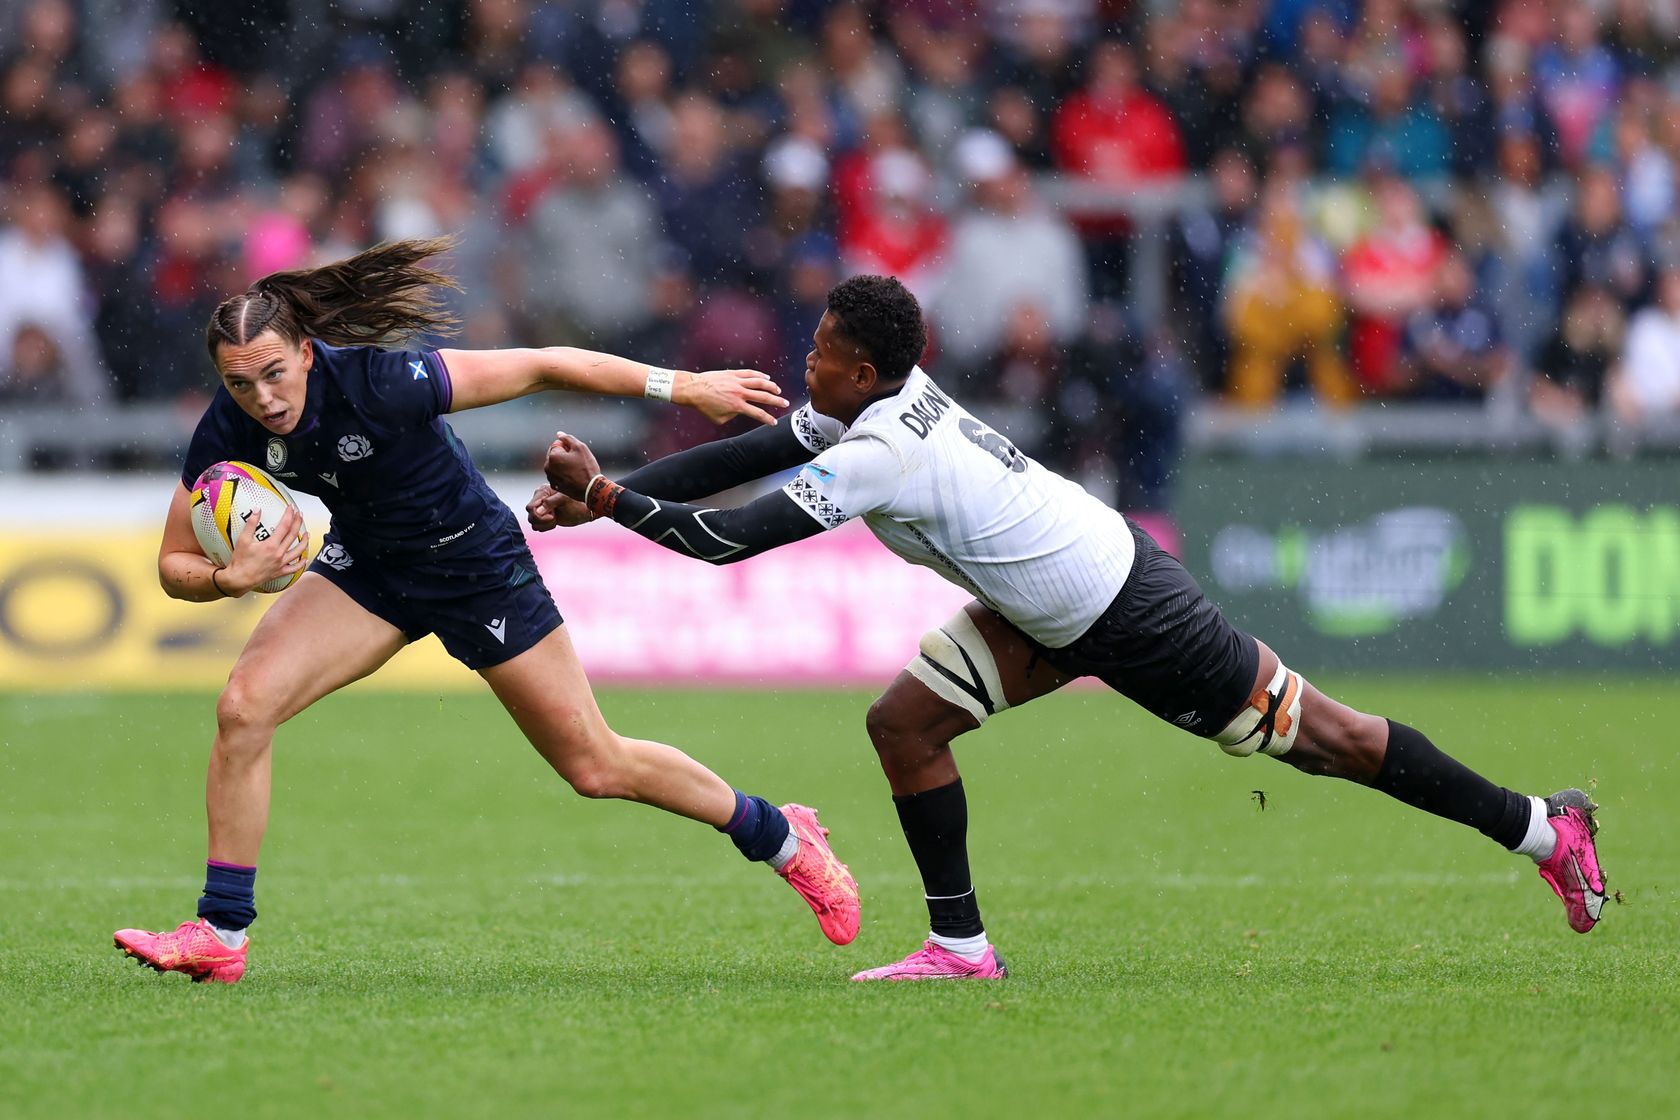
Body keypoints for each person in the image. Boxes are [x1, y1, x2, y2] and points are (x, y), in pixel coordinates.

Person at [533, 274, 1608, 982]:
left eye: (819, 352)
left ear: (865, 371)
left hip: (1126, 609)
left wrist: (615, 505)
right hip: (1043, 604)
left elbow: (730, 541)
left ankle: (1541, 828)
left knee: (1329, 742)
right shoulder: (870, 401)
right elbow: (742, 459)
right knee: (903, 726)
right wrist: (612, 490)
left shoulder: (876, 451)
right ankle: (961, 947)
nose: (804, 365)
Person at [112, 238, 860, 985]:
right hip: (370, 571)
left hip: (476, 564)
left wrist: (683, 386)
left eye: (274, 374)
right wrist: (227, 578)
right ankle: (221, 931)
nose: (263, 400)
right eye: (241, 385)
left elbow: (543, 364)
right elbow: (174, 566)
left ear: (308, 352)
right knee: (243, 709)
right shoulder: (230, 424)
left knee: (596, 766)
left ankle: (782, 836)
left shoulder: (385, 381)